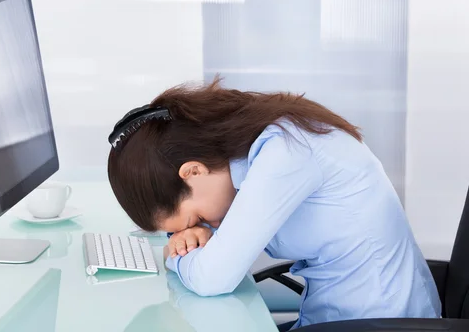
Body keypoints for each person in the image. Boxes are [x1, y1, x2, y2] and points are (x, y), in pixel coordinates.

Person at [107, 78, 441, 329]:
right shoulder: (259, 150)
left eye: (193, 218)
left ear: (193, 171)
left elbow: (213, 279)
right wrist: (194, 237)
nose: (199, 226)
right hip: (339, 316)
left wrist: (174, 257)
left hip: (378, 322)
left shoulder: (285, 153)